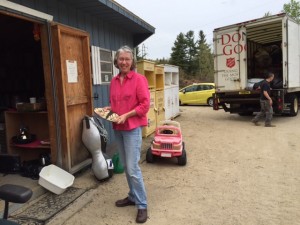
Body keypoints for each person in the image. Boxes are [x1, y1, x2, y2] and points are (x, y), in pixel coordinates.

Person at [105, 46, 150, 223]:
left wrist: (127, 115)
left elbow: (144, 105)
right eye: (121, 59)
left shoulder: (139, 79)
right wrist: (109, 109)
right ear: (116, 61)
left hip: (132, 128)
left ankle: (142, 204)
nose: (124, 62)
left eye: (127, 59)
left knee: (132, 168)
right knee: (125, 165)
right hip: (118, 128)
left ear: (132, 62)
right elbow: (115, 103)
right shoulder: (114, 81)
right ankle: (132, 196)